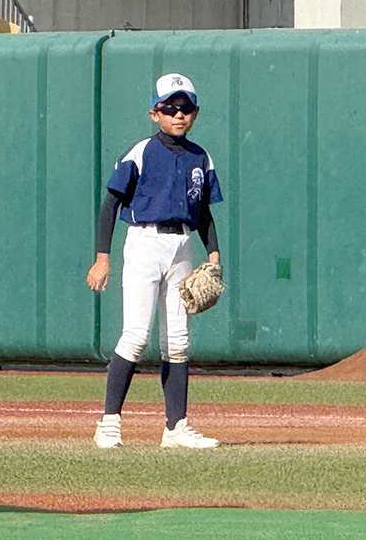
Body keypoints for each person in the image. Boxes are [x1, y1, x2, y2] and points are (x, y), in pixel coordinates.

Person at [86, 72, 222, 449]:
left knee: (177, 341)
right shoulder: (141, 152)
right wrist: (102, 258)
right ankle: (109, 423)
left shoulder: (201, 157)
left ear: (195, 113)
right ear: (154, 113)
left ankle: (176, 428)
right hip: (144, 243)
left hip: (182, 245)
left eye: (186, 108)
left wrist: (213, 256)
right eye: (170, 108)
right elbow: (111, 203)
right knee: (136, 335)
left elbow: (204, 213)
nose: (179, 115)